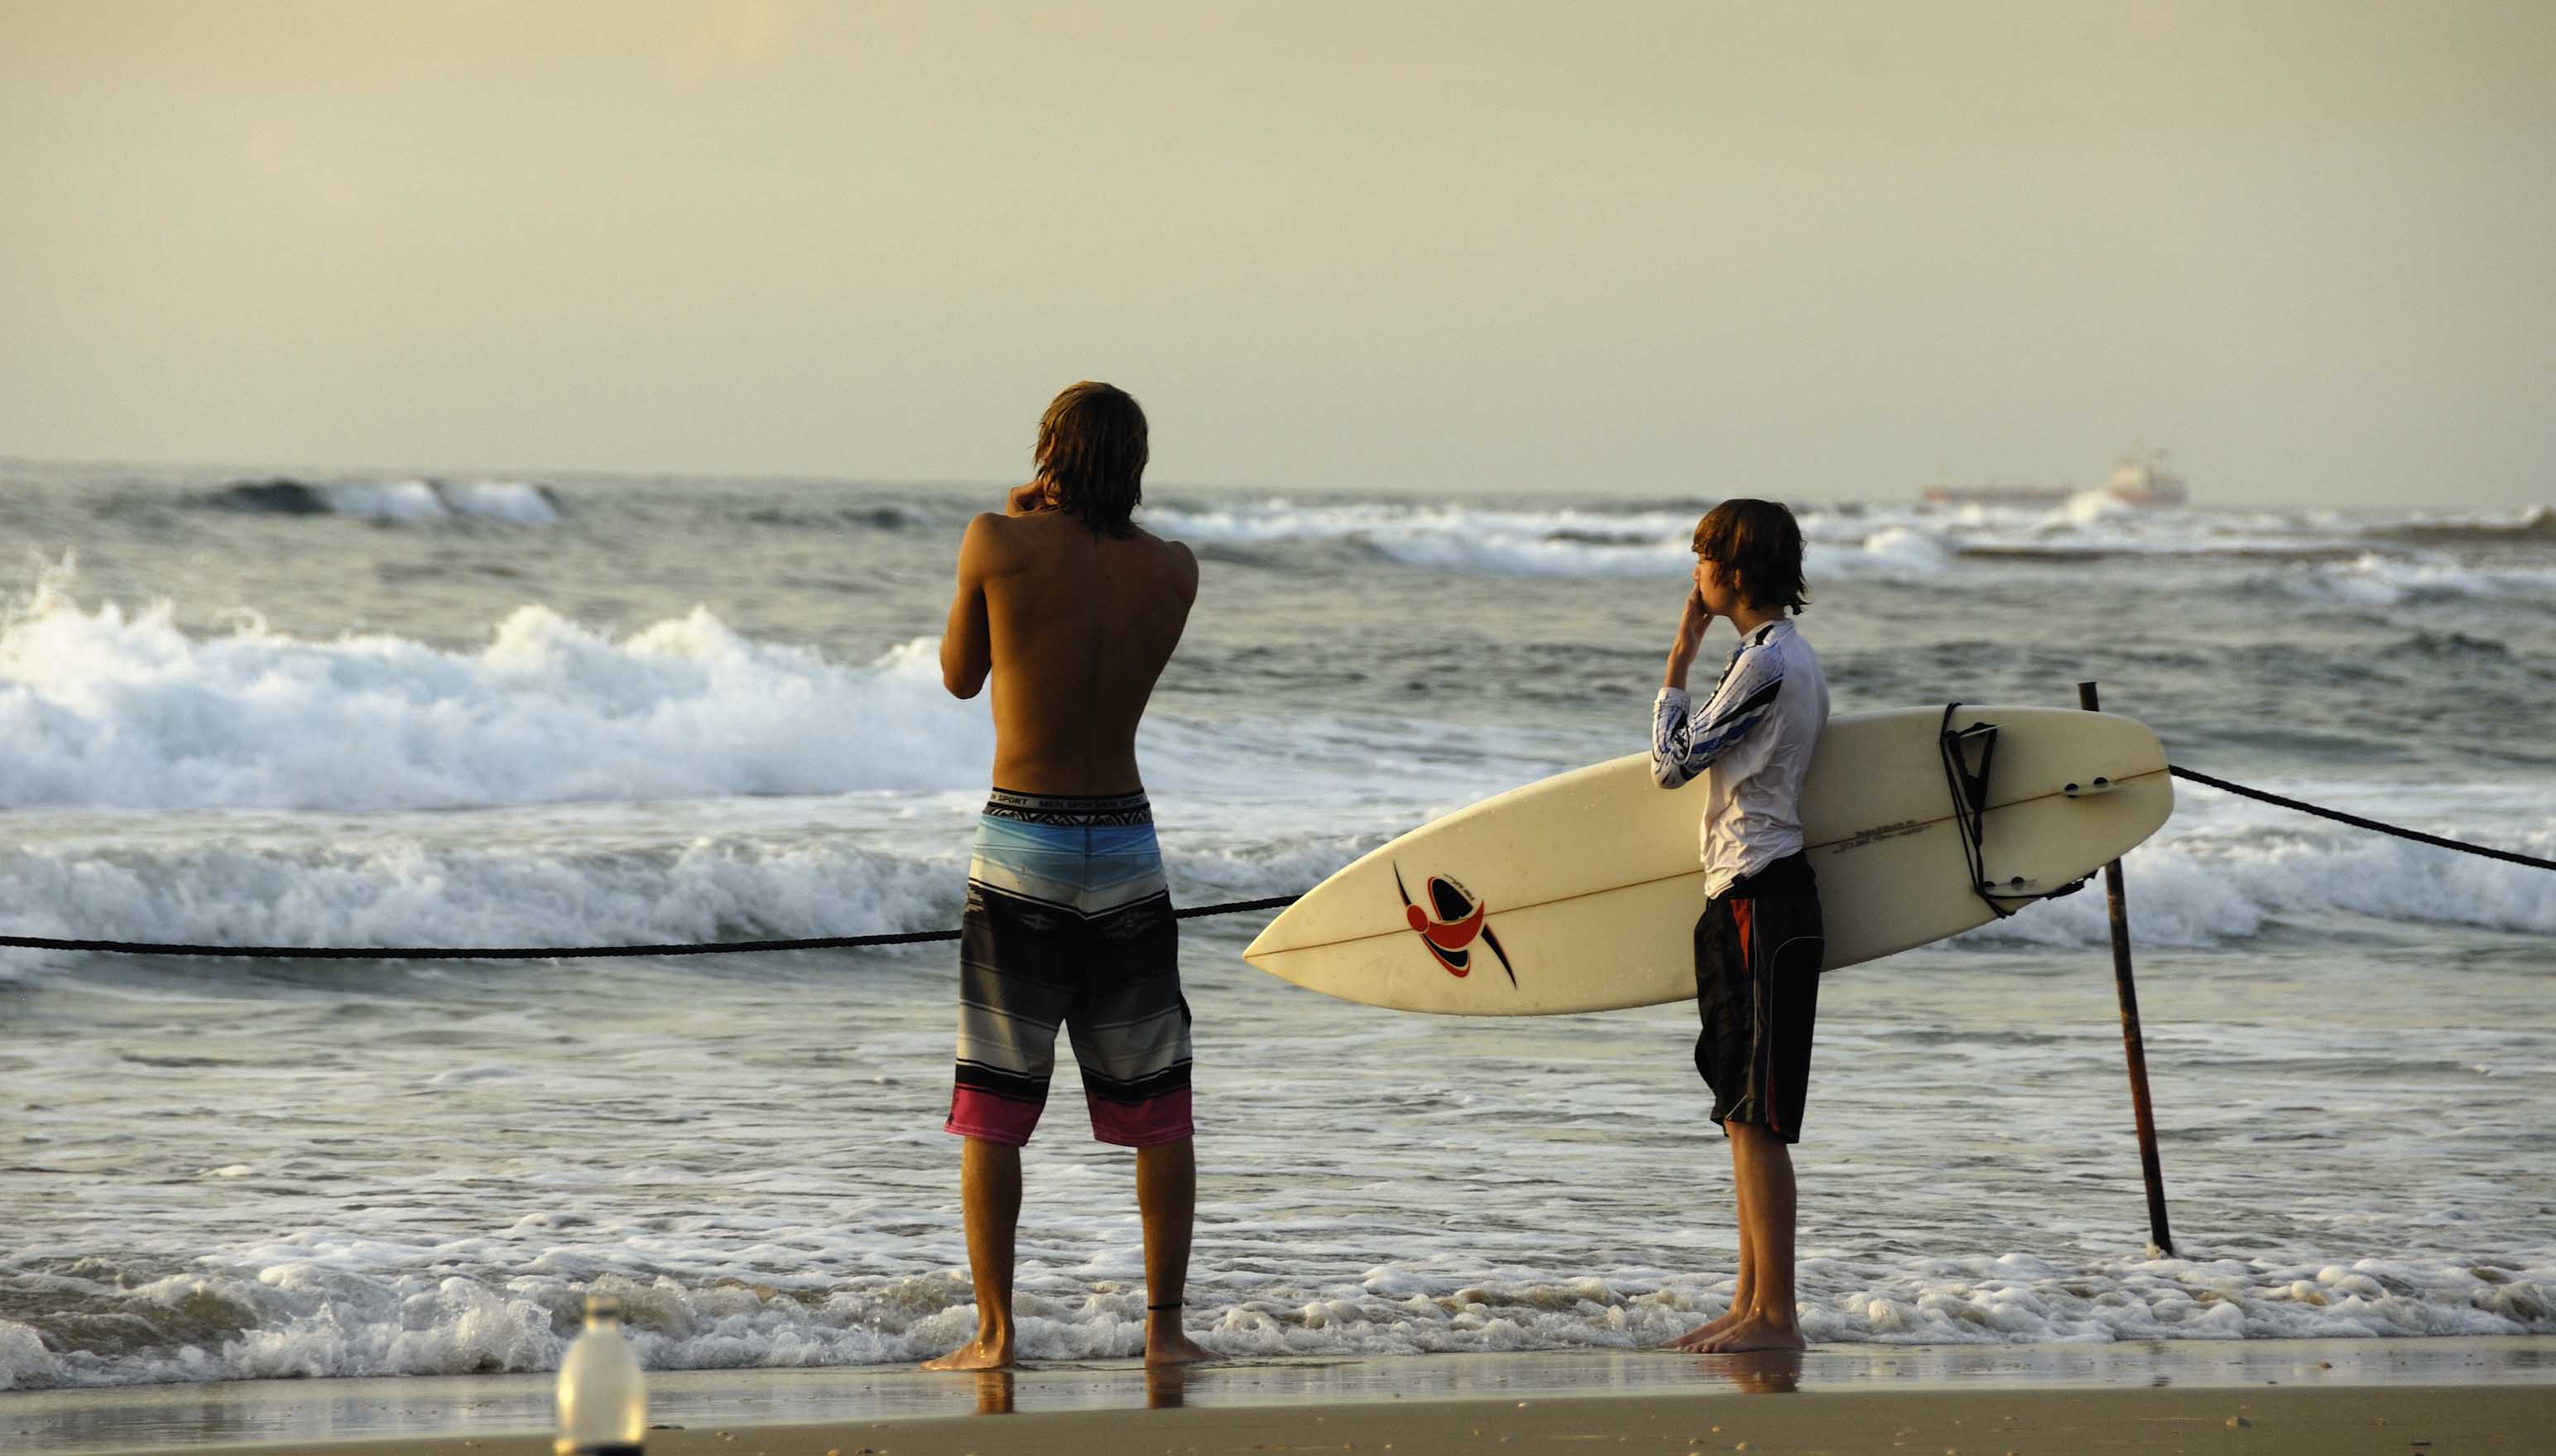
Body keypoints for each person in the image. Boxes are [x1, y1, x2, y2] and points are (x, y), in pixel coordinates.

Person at [923, 381, 1212, 1372]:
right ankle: (1165, 1332)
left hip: (1026, 842)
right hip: (1125, 840)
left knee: (996, 1097)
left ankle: (997, 1335)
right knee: (1157, 1098)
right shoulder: (1174, 570)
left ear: (1048, 451)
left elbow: (962, 675)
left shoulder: (994, 542)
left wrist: (1010, 525)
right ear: (1134, 464)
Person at [1649, 498, 1830, 1354]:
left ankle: (1777, 1317)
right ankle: (1748, 1300)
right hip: (1746, 896)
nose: (1693, 572)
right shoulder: (1767, 657)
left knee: (1756, 1116)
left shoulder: (1768, 665)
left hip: (1764, 896)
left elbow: (1673, 764)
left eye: (1700, 557)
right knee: (1737, 1112)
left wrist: (1677, 662)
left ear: (1732, 569)